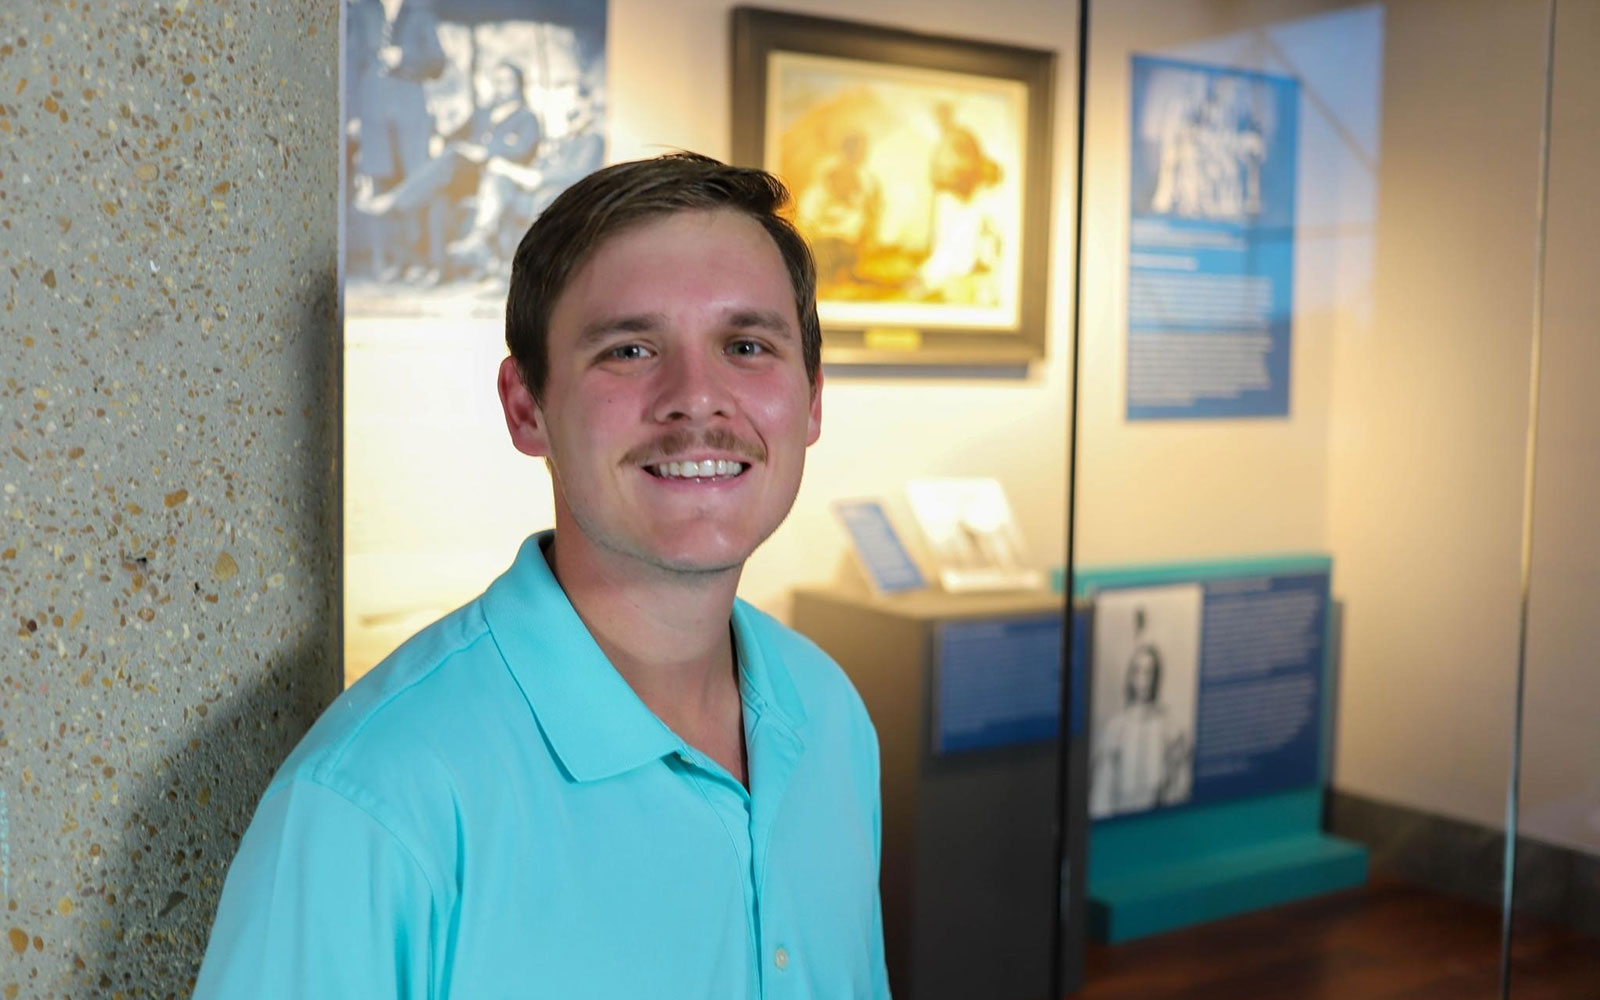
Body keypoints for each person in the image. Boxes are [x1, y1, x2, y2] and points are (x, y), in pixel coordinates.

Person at [194, 153, 891, 998]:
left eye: (747, 345)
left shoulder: (828, 715)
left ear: (812, 398)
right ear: (526, 406)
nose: (697, 399)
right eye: (631, 349)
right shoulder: (375, 802)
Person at [1088, 641, 1193, 818]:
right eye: (1138, 671)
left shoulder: (1171, 729)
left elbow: (1179, 787)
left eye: (1149, 672)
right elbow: (1102, 791)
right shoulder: (1116, 729)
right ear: (1130, 676)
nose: (1144, 680)